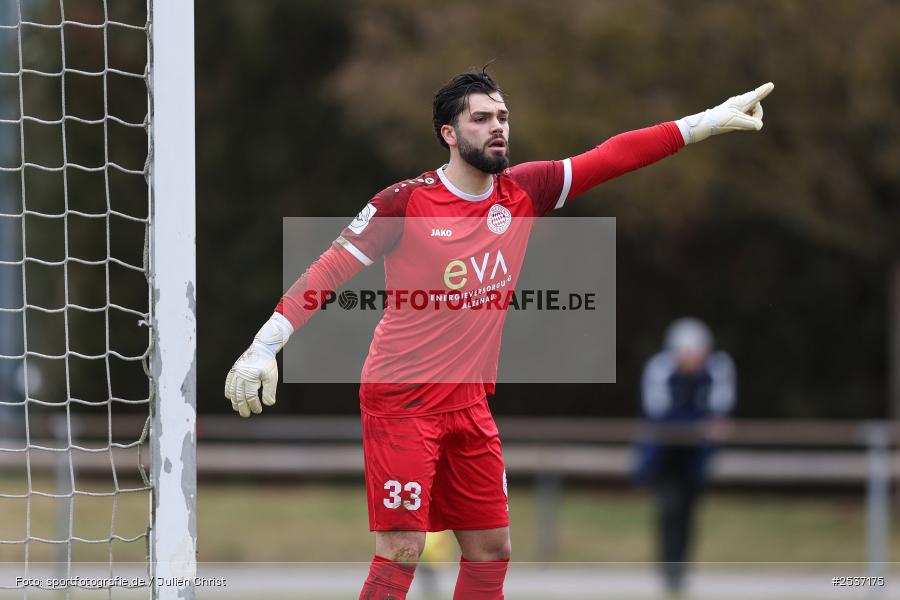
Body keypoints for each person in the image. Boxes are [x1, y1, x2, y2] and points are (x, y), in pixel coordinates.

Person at [224, 70, 770, 599]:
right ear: (449, 133)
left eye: (502, 117)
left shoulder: (523, 191)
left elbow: (612, 156)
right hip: (402, 400)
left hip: (469, 402)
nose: (497, 127)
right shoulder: (404, 202)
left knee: (491, 549)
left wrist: (704, 122)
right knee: (403, 548)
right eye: (481, 118)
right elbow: (328, 269)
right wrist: (265, 345)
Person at [634, 317, 737, 596]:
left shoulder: (716, 369)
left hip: (696, 457)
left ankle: (680, 569)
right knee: (669, 508)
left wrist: (705, 428)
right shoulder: (661, 370)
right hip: (665, 456)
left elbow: (720, 413)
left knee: (688, 512)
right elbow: (658, 414)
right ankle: (669, 569)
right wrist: (699, 426)